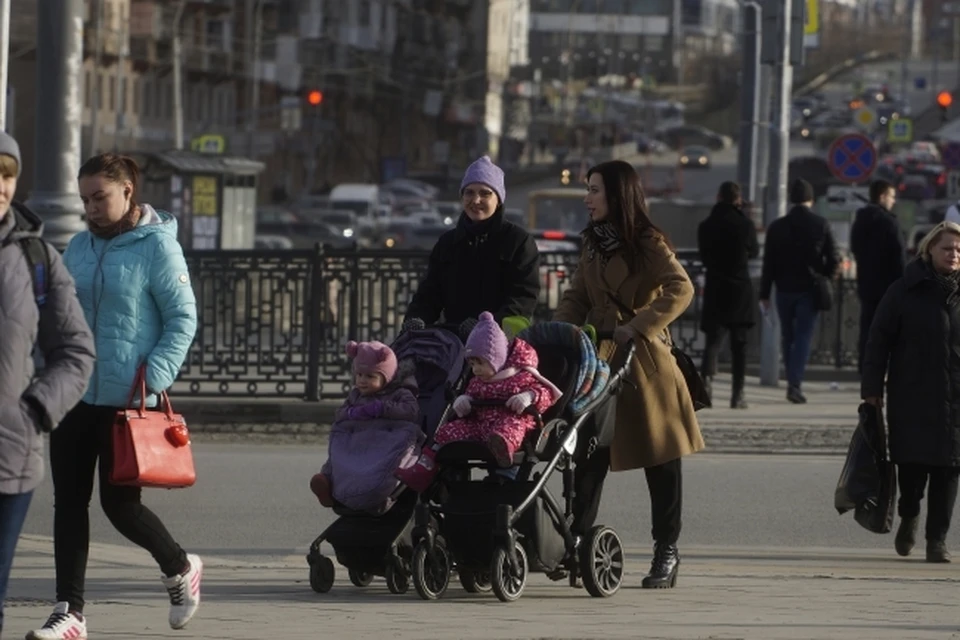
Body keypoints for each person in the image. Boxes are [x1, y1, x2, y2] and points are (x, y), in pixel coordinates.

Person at [27, 153, 200, 640]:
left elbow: (182, 320)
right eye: (84, 199)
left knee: (120, 507)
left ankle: (180, 566)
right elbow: (57, 311)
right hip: (74, 392)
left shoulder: (157, 248)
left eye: (99, 197)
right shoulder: (78, 246)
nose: (91, 208)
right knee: (68, 503)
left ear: (128, 191)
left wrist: (155, 376)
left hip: (128, 400)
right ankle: (70, 613)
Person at [553, 160, 704, 589]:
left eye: (595, 190)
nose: (587, 198)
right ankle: (579, 544)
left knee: (661, 463)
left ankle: (666, 552)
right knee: (589, 457)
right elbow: (578, 295)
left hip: (645, 364)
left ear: (618, 195)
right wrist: (557, 335)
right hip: (600, 361)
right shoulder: (593, 245)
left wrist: (637, 325)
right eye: (587, 189)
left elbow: (682, 288)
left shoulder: (647, 242)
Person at [0, 133, 96, 639]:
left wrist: (34, 411)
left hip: (8, 456)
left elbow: (76, 351)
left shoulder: (36, 258)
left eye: (7, 174)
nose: (0, 185)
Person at [862, 220, 960, 564]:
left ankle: (937, 541)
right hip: (913, 395)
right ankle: (909, 516)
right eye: (947, 248)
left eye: (959, 250)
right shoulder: (904, 290)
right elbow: (878, 341)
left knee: (949, 471)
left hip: (957, 400)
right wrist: (872, 389)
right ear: (929, 249)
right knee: (914, 470)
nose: (954, 254)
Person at [396, 312, 562, 491]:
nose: (475, 370)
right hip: (480, 424)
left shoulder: (521, 376)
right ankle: (425, 467)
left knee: (511, 425)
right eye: (472, 364)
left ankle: (503, 449)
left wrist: (529, 396)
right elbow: (471, 394)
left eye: (480, 364)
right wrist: (464, 400)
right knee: (447, 430)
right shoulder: (478, 380)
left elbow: (545, 392)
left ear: (496, 359)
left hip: (510, 421)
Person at [402, 156, 539, 339]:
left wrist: (486, 326)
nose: (476, 200)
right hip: (453, 343)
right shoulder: (447, 243)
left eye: (485, 193)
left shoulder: (518, 241)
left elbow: (522, 299)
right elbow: (428, 295)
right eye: (469, 192)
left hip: (500, 346)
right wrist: (415, 321)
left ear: (498, 199)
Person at [309, 340, 421, 513]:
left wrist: (382, 408)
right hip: (359, 439)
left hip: (385, 438)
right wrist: (351, 414)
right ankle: (328, 481)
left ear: (386, 377)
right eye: (359, 375)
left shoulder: (400, 392)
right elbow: (340, 413)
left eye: (370, 376)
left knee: (386, 464)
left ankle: (379, 493)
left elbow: (411, 411)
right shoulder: (356, 395)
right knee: (340, 443)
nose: (362, 381)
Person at [758, 178, 840, 404]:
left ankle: (791, 378)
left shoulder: (777, 227)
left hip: (783, 289)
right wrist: (826, 276)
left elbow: (769, 264)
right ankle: (794, 383)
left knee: (788, 335)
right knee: (803, 336)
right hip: (809, 289)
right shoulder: (821, 224)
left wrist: (764, 293)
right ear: (811, 200)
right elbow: (834, 258)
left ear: (791, 200)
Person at [697, 181, 760, 408]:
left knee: (712, 342)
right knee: (739, 345)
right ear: (738, 199)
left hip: (715, 287)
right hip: (739, 289)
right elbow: (754, 251)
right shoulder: (745, 224)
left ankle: (706, 386)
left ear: (718, 197)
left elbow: (704, 257)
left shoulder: (706, 225)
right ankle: (737, 394)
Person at [850, 179, 905, 373]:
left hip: (866, 283)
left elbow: (854, 248)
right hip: (889, 285)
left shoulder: (860, 219)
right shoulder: (889, 222)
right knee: (889, 329)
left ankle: (865, 366)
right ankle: (885, 367)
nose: (893, 201)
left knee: (868, 327)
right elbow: (899, 255)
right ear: (882, 197)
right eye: (891, 197)